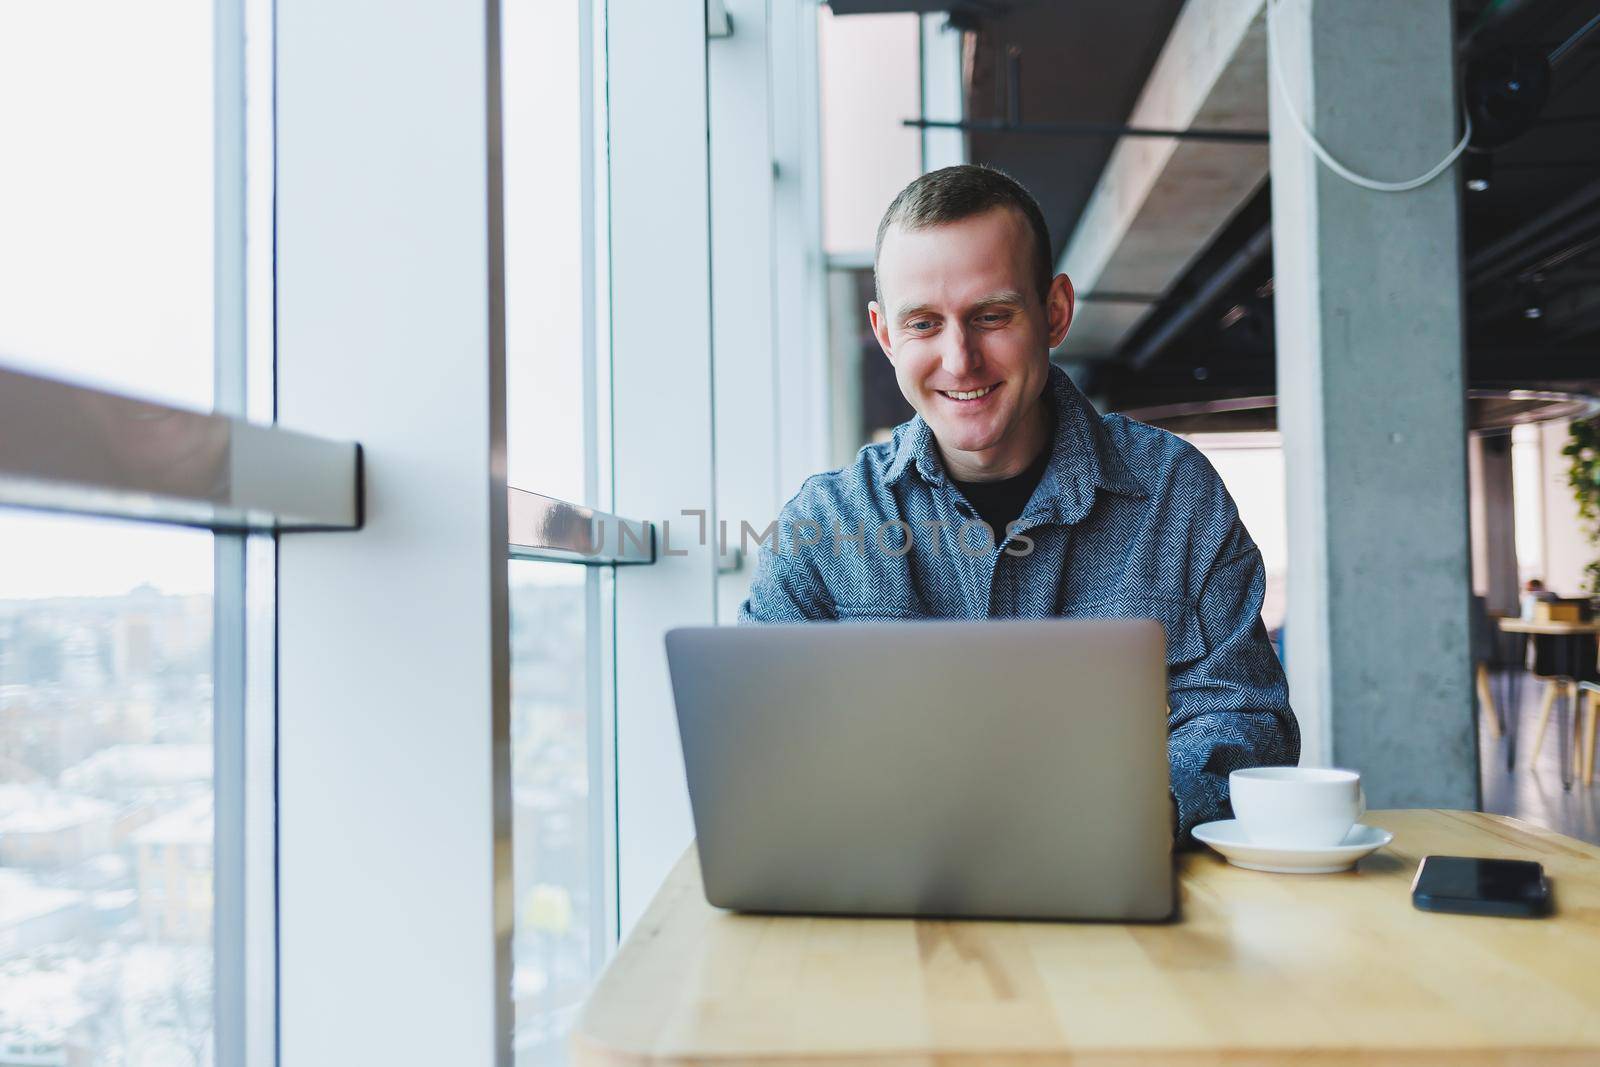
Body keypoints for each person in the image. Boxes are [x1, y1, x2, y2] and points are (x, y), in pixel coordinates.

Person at [738, 164, 1299, 839]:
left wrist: (1127, 812)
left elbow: (1245, 720)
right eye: (923, 324)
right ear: (886, 334)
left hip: (1121, 884)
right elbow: (760, 747)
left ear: (1054, 311)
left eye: (991, 316)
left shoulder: (1175, 495)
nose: (960, 359)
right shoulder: (824, 526)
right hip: (891, 906)